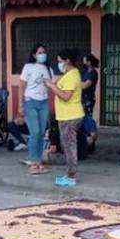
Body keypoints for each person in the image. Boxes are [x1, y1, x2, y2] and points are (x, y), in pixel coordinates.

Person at [45, 48, 84, 187]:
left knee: (69, 147)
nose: (59, 64)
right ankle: (69, 174)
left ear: (67, 61)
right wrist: (55, 82)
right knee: (67, 145)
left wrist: (51, 86)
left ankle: (71, 176)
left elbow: (66, 96)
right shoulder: (70, 74)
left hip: (70, 116)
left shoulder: (72, 75)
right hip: (67, 116)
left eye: (60, 61)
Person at [20, 44, 53, 172]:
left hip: (43, 103)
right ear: (34, 54)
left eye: (44, 52)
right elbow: (22, 86)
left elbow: (52, 85)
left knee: (41, 133)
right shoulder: (28, 67)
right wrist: (20, 105)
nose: (42, 54)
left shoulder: (48, 69)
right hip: (30, 102)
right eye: (39, 52)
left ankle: (39, 162)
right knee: (35, 132)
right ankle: (33, 162)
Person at [81, 54, 99, 118]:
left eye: (85, 61)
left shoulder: (93, 73)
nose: (83, 63)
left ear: (89, 62)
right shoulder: (84, 71)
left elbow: (85, 85)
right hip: (82, 97)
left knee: (87, 117)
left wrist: (77, 84)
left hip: (89, 98)